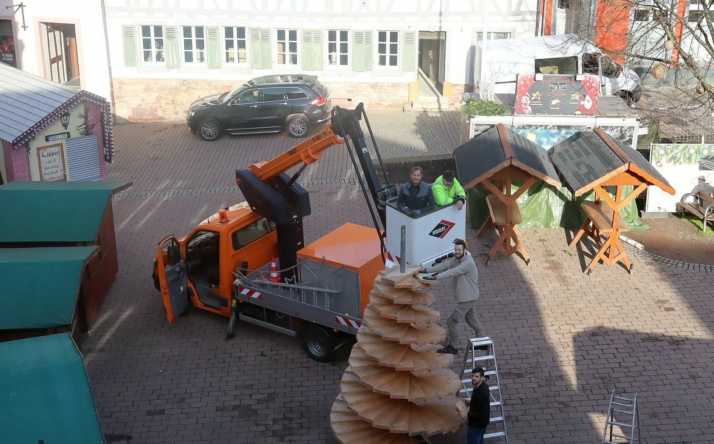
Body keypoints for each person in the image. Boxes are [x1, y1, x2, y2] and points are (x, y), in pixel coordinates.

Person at [422, 238, 483, 355]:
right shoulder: (456, 258)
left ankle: (453, 347)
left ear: (465, 250)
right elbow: (445, 265)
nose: (457, 252)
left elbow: (453, 271)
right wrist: (428, 270)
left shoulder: (468, 263)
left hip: (468, 298)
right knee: (471, 320)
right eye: (455, 249)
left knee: (451, 321)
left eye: (459, 250)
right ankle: (481, 342)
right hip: (467, 297)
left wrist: (436, 277)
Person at [465, 367, 490, 444]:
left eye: (476, 376)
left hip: (476, 426)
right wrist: (471, 403)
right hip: (480, 425)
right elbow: (479, 405)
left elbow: (482, 414)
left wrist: (466, 415)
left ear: (482, 378)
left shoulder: (481, 393)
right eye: (472, 376)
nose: (473, 378)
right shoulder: (481, 386)